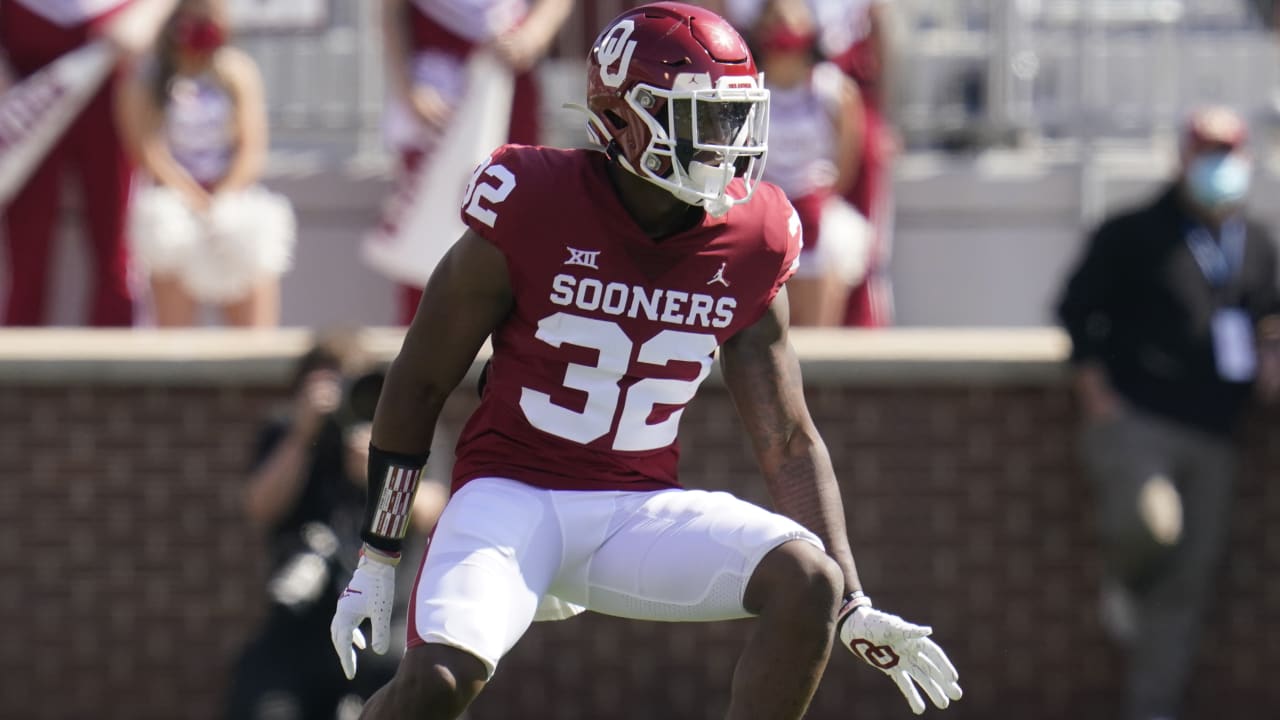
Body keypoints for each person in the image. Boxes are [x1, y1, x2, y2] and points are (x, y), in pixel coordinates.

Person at [330, 4, 962, 719]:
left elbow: (787, 437)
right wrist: (378, 552)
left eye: (735, 119)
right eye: (701, 118)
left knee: (808, 581)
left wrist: (852, 598)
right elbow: (418, 381)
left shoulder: (754, 235)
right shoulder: (533, 199)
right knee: (439, 683)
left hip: (635, 508)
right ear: (623, 118)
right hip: (509, 497)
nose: (726, 144)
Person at [1056, 106, 1280, 720]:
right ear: (1183, 155)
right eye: (1206, 149)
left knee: (1188, 583)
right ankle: (1125, 582)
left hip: (1218, 428)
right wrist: (1095, 388)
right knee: (1153, 527)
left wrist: (1270, 350)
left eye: (1229, 149)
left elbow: (1267, 313)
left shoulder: (1254, 243)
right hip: (1140, 417)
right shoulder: (1134, 232)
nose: (1218, 162)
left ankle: (1152, 708)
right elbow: (1077, 311)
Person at [226, 332, 448, 720]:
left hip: (386, 626)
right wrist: (302, 435)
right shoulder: (285, 433)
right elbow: (259, 506)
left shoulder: (405, 430)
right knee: (259, 697)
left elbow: (434, 511)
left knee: (426, 693)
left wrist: (381, 474)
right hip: (301, 627)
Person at [372, 0, 573, 325]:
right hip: (437, 90)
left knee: (519, 214)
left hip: (508, 85)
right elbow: (390, 12)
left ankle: (512, 335)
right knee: (430, 225)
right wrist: (407, 87)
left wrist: (534, 34)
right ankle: (422, 346)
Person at [117, 0, 295, 327]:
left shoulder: (236, 70)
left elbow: (252, 146)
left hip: (233, 208)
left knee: (254, 332)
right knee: (175, 334)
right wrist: (191, 197)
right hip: (174, 210)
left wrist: (221, 199)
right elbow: (145, 148)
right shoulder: (146, 75)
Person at [0, 0, 138, 326]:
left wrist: (149, 14)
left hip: (111, 106)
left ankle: (116, 368)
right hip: (27, 104)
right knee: (27, 254)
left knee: (116, 247)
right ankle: (19, 369)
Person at [750, 0, 869, 326]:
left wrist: (815, 197)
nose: (784, 27)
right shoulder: (747, 88)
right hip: (764, 205)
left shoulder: (834, 90)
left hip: (813, 206)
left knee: (816, 312)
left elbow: (846, 163)